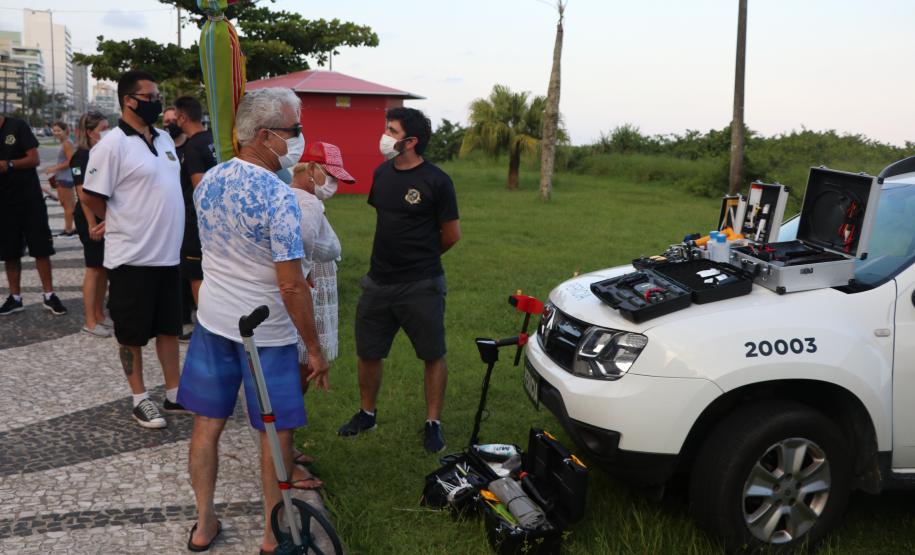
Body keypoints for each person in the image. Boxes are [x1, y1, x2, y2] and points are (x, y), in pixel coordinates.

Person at [176, 87, 329, 553]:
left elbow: (216, 252)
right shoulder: (279, 197)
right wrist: (316, 348)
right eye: (294, 131)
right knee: (276, 432)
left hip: (214, 321)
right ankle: (271, 534)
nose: (299, 139)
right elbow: (290, 284)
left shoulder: (209, 182)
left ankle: (204, 524)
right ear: (265, 135)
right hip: (267, 333)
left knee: (207, 424)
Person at [338, 107, 461, 454]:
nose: (385, 136)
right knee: (368, 351)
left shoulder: (437, 181)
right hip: (377, 282)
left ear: (411, 141)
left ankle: (433, 423)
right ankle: (367, 413)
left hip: (421, 284)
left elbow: (451, 235)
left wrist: (421, 257)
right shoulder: (382, 174)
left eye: (391, 131)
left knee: (432, 353)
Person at [81, 70, 186, 429]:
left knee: (169, 328)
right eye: (151, 95)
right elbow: (89, 192)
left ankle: (175, 394)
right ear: (129, 100)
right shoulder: (111, 144)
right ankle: (140, 398)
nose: (157, 101)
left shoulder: (164, 139)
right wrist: (112, 218)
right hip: (132, 257)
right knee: (131, 333)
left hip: (167, 254)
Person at [287, 142, 354, 476]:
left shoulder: (300, 200)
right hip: (303, 300)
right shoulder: (306, 204)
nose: (333, 185)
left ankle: (285, 446)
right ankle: (281, 457)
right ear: (310, 168)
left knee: (296, 378)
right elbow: (296, 259)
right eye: (328, 175)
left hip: (309, 293)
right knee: (296, 378)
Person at [0, 114, 67, 316]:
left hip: (29, 199)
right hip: (4, 202)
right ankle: (15, 297)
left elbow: (34, 158)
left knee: (41, 248)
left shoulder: (17, 125)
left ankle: (49, 295)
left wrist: (9, 164)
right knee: (10, 253)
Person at [170, 96, 217, 340]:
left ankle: (205, 328)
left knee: (196, 275)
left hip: (197, 223)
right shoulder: (212, 141)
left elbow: (201, 189)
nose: (174, 121)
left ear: (184, 118)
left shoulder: (193, 147)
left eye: (176, 117)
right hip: (217, 224)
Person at [70, 111, 112, 337]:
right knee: (93, 269)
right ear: (90, 132)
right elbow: (82, 194)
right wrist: (90, 224)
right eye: (102, 129)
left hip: (103, 214)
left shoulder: (100, 153)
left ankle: (99, 314)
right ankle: (90, 320)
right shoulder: (81, 157)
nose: (106, 133)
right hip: (90, 217)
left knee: (103, 268)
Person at [46, 121, 77, 236]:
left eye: (59, 130)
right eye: (54, 130)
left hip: (65, 178)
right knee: (68, 205)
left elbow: (70, 162)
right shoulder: (65, 143)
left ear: (65, 131)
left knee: (67, 206)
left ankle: (68, 230)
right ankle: (71, 228)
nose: (56, 133)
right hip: (64, 177)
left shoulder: (67, 144)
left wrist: (54, 168)